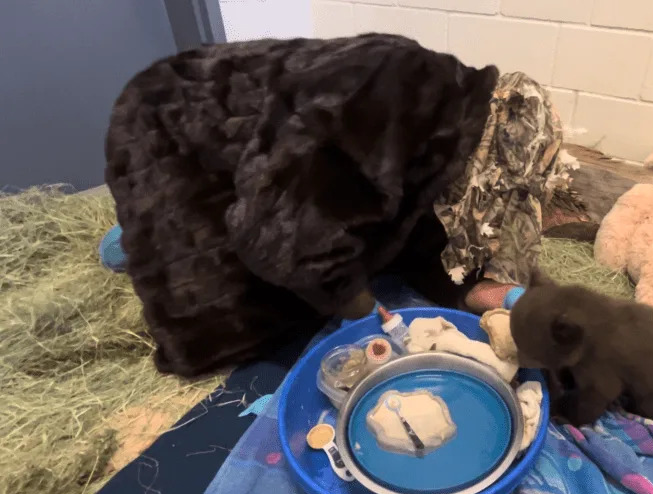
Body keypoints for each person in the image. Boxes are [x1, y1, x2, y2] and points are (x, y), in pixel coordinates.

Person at [104, 33, 581, 377]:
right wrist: (364, 308)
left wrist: (500, 294)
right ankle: (136, 242)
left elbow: (429, 247)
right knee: (227, 311)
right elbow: (274, 234)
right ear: (498, 154)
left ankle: (142, 240)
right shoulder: (394, 94)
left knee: (329, 244)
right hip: (181, 130)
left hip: (270, 163)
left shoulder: (450, 152)